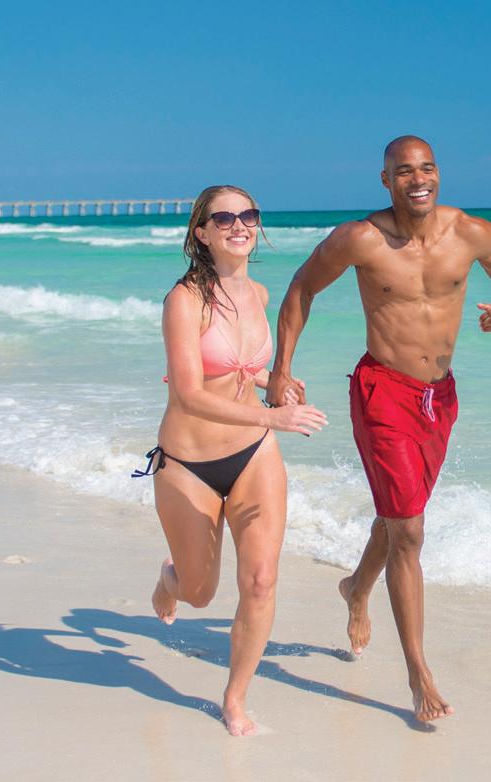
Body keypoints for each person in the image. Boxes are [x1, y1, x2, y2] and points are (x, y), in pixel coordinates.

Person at [266, 136, 491, 724]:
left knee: (399, 517)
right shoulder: (359, 239)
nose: (418, 179)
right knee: (409, 529)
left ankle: (356, 589)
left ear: (439, 174)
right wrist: (280, 369)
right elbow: (300, 289)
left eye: (427, 168)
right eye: (404, 170)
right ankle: (417, 670)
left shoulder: (471, 233)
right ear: (384, 180)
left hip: (441, 397)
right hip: (382, 391)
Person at [135, 185, 328, 736]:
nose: (239, 224)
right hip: (189, 462)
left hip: (252, 454)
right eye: (224, 217)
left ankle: (235, 698)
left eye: (249, 215)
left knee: (262, 580)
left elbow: (239, 370)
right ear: (202, 232)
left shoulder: (260, 293)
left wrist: (278, 384)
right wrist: (276, 417)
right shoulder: (184, 299)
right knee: (200, 593)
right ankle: (170, 580)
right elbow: (190, 393)